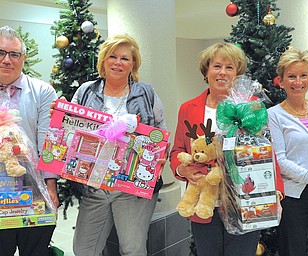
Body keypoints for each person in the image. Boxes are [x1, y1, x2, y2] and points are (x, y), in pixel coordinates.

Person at [170, 42, 284, 256]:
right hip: (204, 200)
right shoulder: (188, 108)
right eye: (217, 66)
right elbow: (176, 151)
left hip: (244, 198)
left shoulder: (251, 107)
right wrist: (181, 170)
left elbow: (267, 151)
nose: (222, 72)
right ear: (206, 71)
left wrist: (275, 189)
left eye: (229, 67)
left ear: (236, 73)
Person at [69, 34, 168, 256]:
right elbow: (71, 129)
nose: (118, 62)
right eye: (112, 56)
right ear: (103, 61)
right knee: (84, 249)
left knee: (132, 249)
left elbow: (161, 133)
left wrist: (161, 155)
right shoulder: (86, 91)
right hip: (94, 186)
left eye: (125, 58)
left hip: (132, 189)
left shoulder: (146, 94)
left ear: (133, 64)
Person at [0, 26, 59, 255]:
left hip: (34, 192)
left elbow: (49, 142)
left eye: (14, 54)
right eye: (1, 53)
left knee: (35, 251)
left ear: (23, 58)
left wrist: (51, 187)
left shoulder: (42, 91)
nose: (7, 60)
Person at [268, 47, 308, 256]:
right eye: (291, 76)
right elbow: (280, 160)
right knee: (293, 251)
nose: (298, 82)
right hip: (294, 196)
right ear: (281, 81)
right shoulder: (274, 115)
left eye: (303, 75)